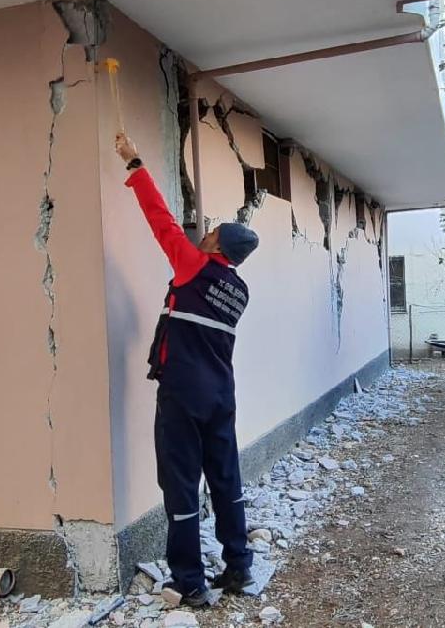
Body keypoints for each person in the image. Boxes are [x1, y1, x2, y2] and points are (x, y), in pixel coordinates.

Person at [115, 132, 261, 605]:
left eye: (212, 231)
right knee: (225, 481)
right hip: (220, 397)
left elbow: (160, 219)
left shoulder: (193, 266)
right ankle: (238, 567)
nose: (205, 231)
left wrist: (134, 162)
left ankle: (190, 582)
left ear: (218, 245)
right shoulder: (239, 291)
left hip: (182, 395)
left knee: (180, 485)